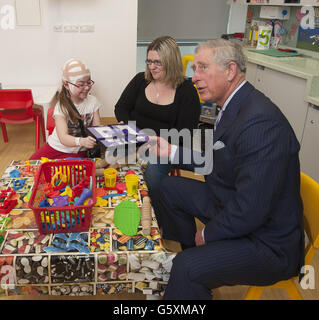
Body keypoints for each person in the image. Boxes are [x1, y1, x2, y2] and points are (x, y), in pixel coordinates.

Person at [146, 39, 304, 300]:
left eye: (202, 68)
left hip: (267, 242)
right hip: (233, 203)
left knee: (187, 269)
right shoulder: (234, 105)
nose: (193, 77)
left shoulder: (260, 123)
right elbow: (219, 161)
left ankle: (191, 266)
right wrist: (171, 152)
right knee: (168, 187)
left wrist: (208, 234)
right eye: (194, 68)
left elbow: (250, 209)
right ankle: (194, 256)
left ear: (230, 71)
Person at [114, 35, 201, 227]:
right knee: (108, 158)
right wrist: (133, 132)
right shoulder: (140, 80)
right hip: (134, 138)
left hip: (164, 147)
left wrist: (154, 142)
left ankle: (157, 217)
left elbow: (184, 134)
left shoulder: (186, 92)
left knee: (152, 172)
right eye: (149, 61)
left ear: (170, 62)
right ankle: (124, 207)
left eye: (157, 62)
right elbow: (121, 108)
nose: (152, 67)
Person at [30, 58, 101, 160]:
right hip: (57, 148)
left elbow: (97, 129)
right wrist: (81, 141)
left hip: (81, 151)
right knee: (32, 167)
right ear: (67, 85)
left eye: (89, 82)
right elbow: (63, 138)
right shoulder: (61, 106)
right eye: (81, 84)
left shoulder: (93, 102)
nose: (86, 88)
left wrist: (113, 131)